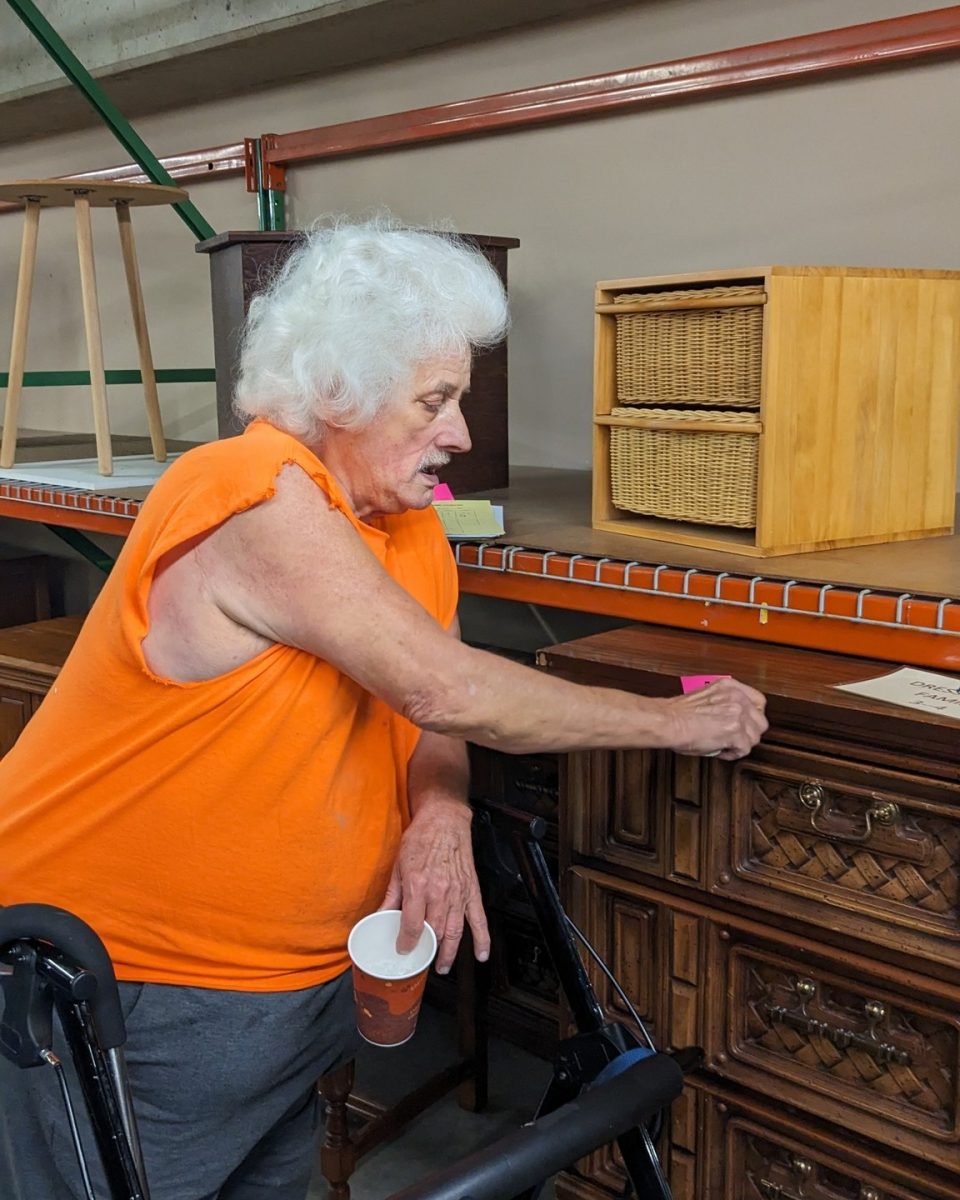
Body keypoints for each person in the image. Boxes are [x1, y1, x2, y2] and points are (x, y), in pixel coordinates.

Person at [0, 216, 767, 1200]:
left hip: (297, 997)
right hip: (132, 987)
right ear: (339, 393)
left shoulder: (410, 534)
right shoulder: (249, 495)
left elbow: (426, 707)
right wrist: (672, 722)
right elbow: (445, 684)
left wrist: (441, 809)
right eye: (435, 402)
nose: (462, 434)